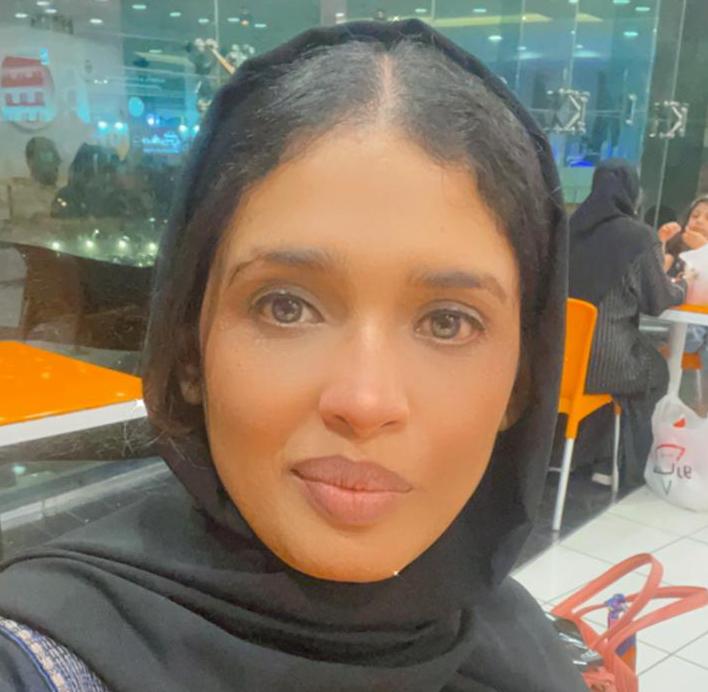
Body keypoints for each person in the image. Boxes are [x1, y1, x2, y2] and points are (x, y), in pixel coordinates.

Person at [0, 21, 585, 691]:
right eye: (285, 306)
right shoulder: (51, 661)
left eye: (448, 322)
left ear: (521, 382)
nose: (364, 401)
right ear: (190, 348)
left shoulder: (522, 646)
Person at [568, 159, 687, 487]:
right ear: (631, 192)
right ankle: (622, 464)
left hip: (559, 365)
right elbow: (658, 301)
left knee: (610, 374)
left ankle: (579, 455)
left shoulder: (568, 230)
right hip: (608, 363)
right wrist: (683, 286)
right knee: (655, 372)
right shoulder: (638, 236)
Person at [660, 194, 708, 275]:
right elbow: (652, 276)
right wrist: (661, 241)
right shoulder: (673, 257)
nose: (699, 221)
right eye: (695, 216)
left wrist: (703, 250)